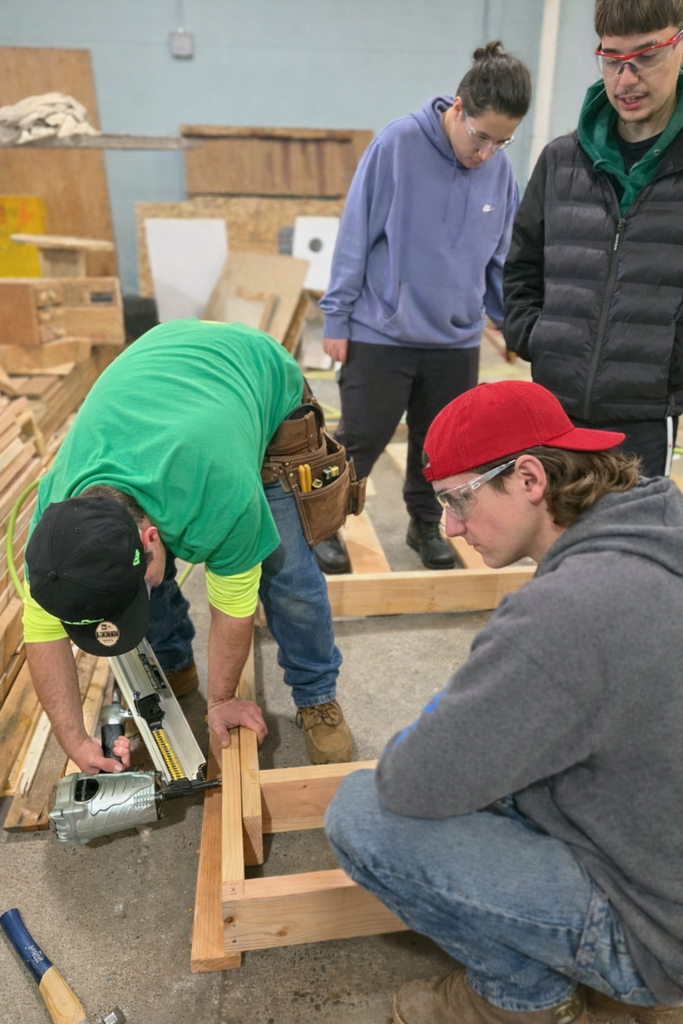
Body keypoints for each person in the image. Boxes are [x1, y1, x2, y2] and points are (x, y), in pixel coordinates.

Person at [325, 379, 683, 1024]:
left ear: (528, 478)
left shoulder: (569, 612)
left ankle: (524, 1001)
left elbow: (413, 784)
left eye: (457, 499)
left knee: (363, 815)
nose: (451, 527)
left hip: (657, 928)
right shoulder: (660, 529)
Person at [23, 319, 353, 775]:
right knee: (145, 582)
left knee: (287, 574)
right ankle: (175, 666)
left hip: (257, 376)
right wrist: (74, 740)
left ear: (150, 536)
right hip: (172, 390)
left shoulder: (219, 491)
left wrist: (222, 701)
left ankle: (317, 695)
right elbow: (42, 634)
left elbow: (232, 606)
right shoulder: (55, 531)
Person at [316, 42, 532, 573]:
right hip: (380, 332)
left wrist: (507, 323)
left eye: (501, 143)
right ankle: (323, 525)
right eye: (481, 136)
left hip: (454, 341)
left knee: (439, 450)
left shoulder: (499, 171)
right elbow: (355, 232)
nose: (486, 153)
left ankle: (423, 524)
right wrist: (337, 315)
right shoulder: (398, 143)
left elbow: (501, 254)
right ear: (457, 108)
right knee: (360, 440)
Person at [504, 0, 683, 478]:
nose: (626, 79)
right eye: (612, 59)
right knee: (556, 550)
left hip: (643, 416)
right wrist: (537, 337)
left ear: (680, 46)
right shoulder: (562, 160)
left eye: (646, 56)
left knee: (631, 549)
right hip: (555, 409)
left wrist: (671, 364)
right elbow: (522, 265)